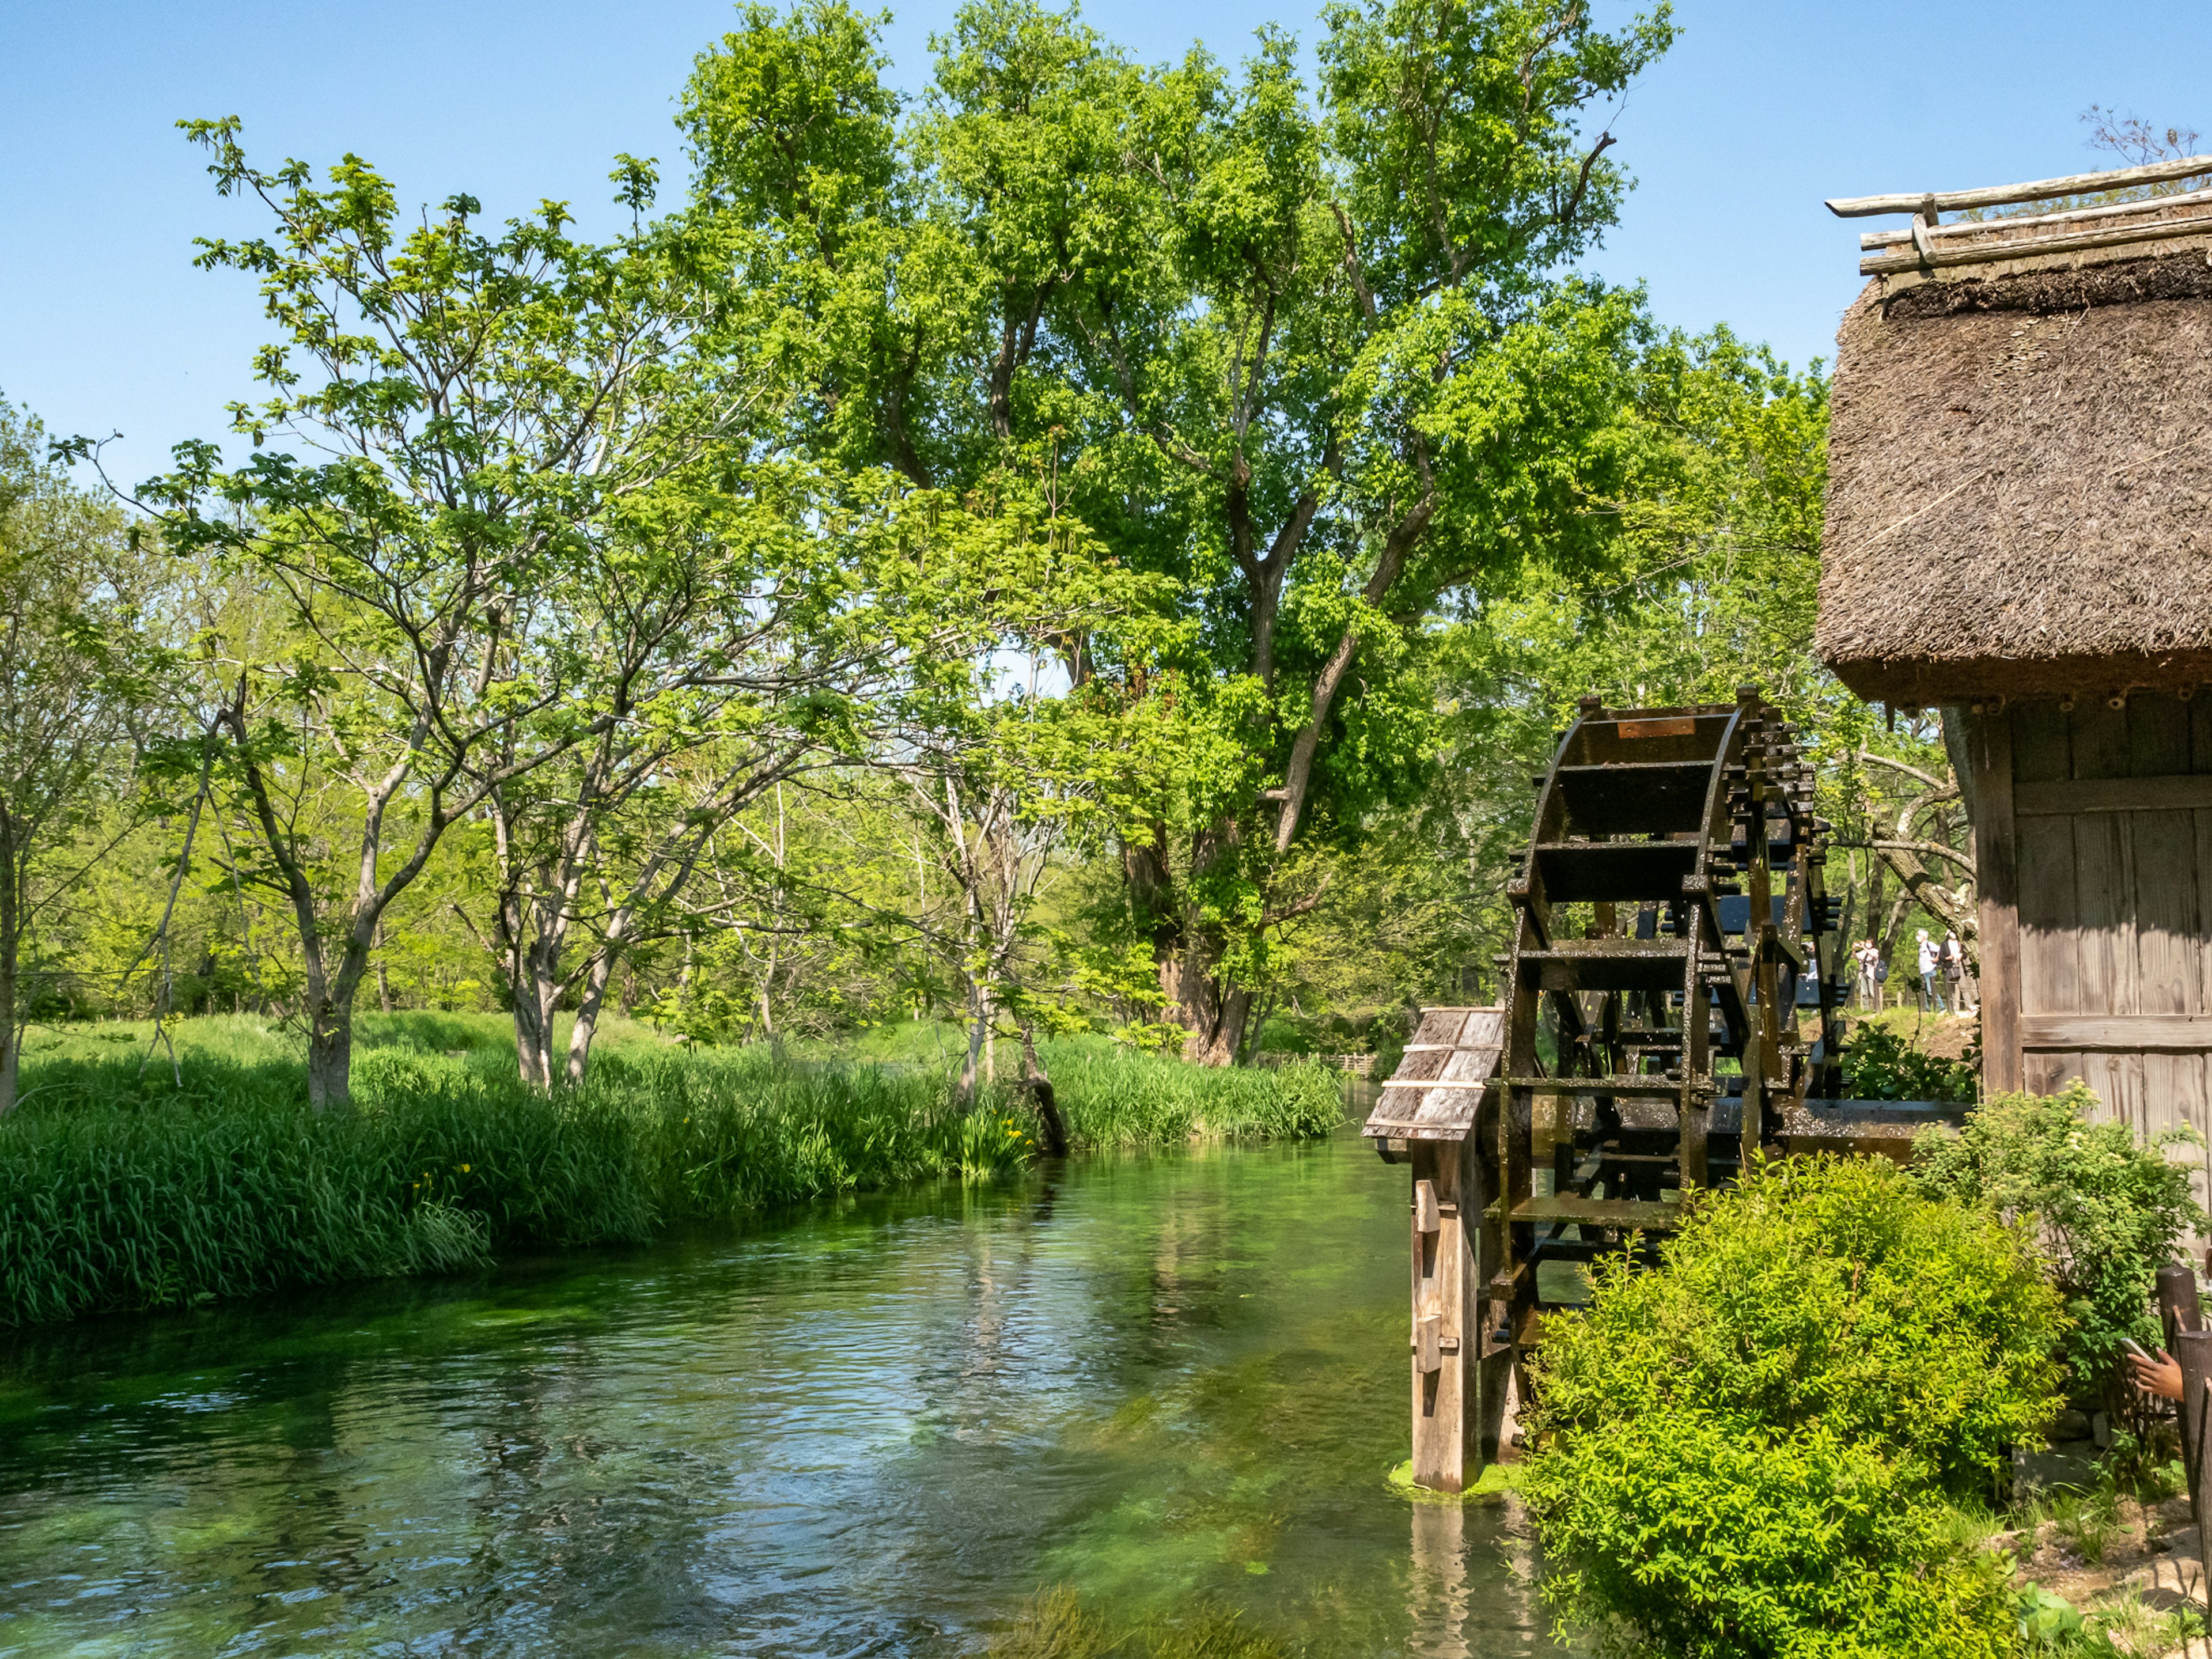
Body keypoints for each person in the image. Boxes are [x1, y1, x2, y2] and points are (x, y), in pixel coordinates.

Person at [1916, 929, 1944, 1013]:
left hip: (1930, 970)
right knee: (1925, 991)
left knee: (1931, 990)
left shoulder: (1929, 944)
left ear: (1924, 937)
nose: (1917, 937)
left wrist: (1937, 959)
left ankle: (1941, 1006)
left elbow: (1940, 949)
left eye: (1919, 935)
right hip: (1923, 971)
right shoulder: (1921, 946)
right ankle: (1926, 1008)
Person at [1941, 931, 1967, 1016]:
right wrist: (1948, 958)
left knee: (1963, 986)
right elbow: (1941, 956)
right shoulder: (1944, 944)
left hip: (1959, 966)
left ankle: (1969, 1005)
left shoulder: (1960, 943)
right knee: (1952, 988)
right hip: (1950, 967)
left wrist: (1961, 955)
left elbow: (1965, 954)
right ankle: (1954, 1006)